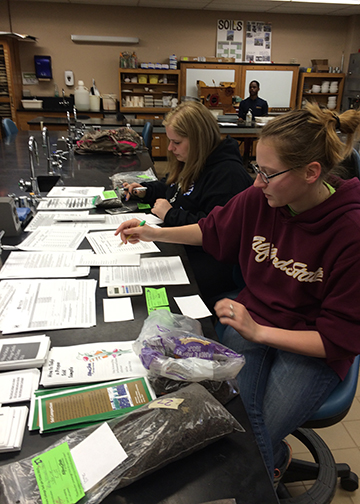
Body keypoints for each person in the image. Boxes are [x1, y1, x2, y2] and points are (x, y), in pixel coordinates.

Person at [115, 103, 360, 486]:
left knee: (240, 431)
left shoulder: (350, 232)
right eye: (256, 169)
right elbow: (211, 229)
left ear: (311, 173)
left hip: (311, 345)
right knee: (235, 421)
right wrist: (153, 231)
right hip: (254, 323)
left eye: (268, 173)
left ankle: (253, 479)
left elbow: (340, 337)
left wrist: (258, 332)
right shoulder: (261, 198)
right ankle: (272, 461)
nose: (257, 182)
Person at [123, 100, 253, 306]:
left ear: (199, 140)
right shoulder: (192, 160)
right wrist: (145, 191)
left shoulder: (227, 174)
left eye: (176, 142)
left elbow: (214, 229)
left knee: (149, 291)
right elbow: (172, 188)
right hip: (184, 246)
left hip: (212, 262)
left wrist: (170, 215)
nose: (170, 148)